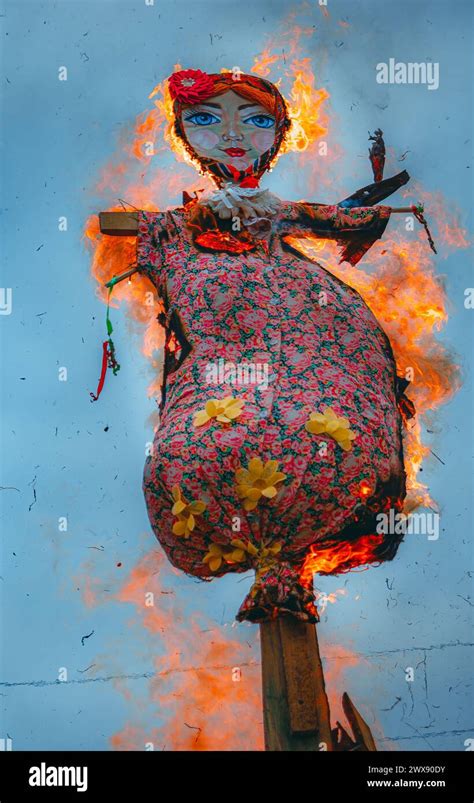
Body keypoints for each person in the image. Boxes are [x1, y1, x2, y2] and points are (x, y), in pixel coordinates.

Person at [136, 69, 406, 623]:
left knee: (317, 405)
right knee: (216, 414)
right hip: (225, 323)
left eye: (255, 120)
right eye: (207, 119)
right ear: (186, 134)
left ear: (277, 134)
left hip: (297, 315)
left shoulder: (275, 210)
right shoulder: (181, 226)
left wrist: (370, 213)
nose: (233, 134)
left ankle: (292, 548)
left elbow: (325, 217)